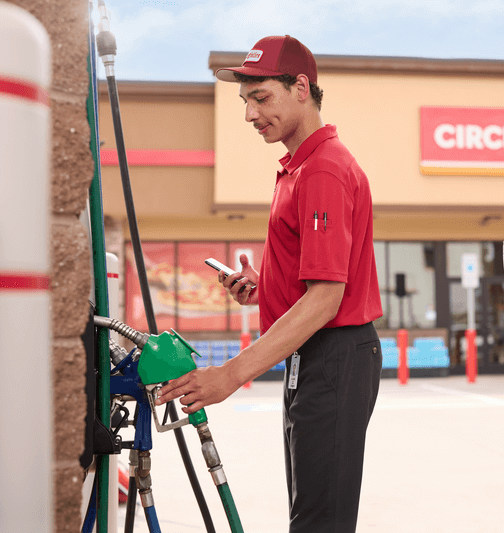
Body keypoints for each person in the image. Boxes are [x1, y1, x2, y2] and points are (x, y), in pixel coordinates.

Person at [156, 35, 383, 533]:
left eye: (261, 98)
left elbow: (326, 298)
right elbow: (317, 283)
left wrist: (231, 374)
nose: (250, 114)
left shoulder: (322, 168)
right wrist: (267, 287)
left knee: (318, 522)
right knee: (311, 514)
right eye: (245, 101)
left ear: (301, 87)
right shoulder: (300, 166)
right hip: (317, 357)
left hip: (334, 356)